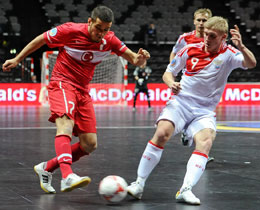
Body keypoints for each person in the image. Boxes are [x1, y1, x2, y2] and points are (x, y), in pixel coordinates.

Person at [2, 5, 150, 193]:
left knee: (89, 144)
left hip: (83, 91)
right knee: (65, 125)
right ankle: (67, 176)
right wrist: (17, 59)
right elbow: (41, 40)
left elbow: (134, 59)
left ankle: (46, 168)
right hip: (62, 82)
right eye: (98, 28)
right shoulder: (70, 30)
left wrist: (141, 58)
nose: (101, 33)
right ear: (90, 21)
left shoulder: (110, 40)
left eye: (106, 29)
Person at [127, 16, 256, 205]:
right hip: (181, 103)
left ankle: (185, 190)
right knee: (162, 133)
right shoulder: (188, 50)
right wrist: (172, 84)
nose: (207, 39)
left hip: (204, 111)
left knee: (206, 141)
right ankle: (138, 184)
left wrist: (242, 47)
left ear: (223, 37)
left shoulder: (229, 54)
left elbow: (251, 64)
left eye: (212, 36)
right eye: (205, 35)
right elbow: (168, 73)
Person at [170, 8, 215, 163]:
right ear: (194, 21)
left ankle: (195, 142)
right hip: (188, 83)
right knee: (188, 113)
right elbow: (174, 53)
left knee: (204, 119)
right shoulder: (185, 38)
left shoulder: (213, 38)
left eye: (205, 20)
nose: (202, 23)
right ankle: (190, 136)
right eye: (199, 20)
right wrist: (172, 72)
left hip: (207, 86)